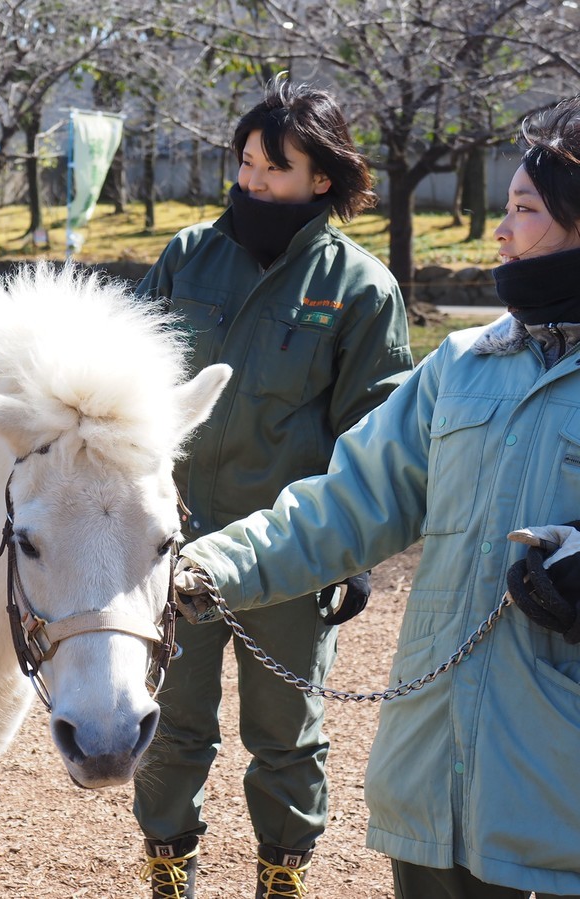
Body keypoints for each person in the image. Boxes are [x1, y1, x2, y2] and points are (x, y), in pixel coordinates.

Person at [171, 95, 580, 899]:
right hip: (431, 792)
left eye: (524, 210)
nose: (500, 231)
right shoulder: (462, 365)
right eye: (505, 208)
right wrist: (204, 565)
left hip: (559, 806)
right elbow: (348, 499)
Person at [133, 77, 414, 899]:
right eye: (246, 160)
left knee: (287, 733)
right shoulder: (187, 256)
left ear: (320, 178)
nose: (250, 180)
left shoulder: (363, 290)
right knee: (171, 721)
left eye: (272, 166)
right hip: (172, 545)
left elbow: (379, 430)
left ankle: (281, 877)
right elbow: (127, 390)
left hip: (291, 553)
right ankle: (166, 870)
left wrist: (351, 552)